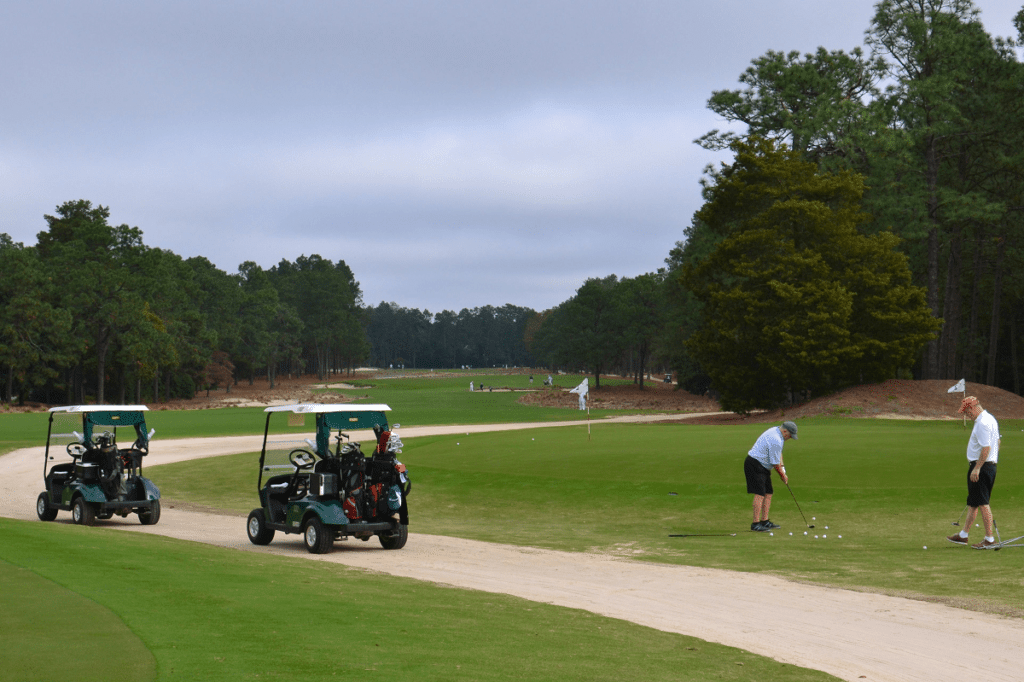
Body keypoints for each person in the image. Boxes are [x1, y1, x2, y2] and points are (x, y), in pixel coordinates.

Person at [947, 396, 1001, 549]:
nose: (966, 415)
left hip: (981, 467)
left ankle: (989, 539)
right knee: (973, 502)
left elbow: (986, 448)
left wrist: (978, 468)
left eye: (966, 412)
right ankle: (963, 535)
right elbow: (997, 442)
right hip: (987, 465)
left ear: (973, 407)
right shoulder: (990, 419)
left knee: (983, 503)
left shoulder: (983, 423)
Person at [744, 421, 798, 532]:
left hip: (762, 466)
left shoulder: (778, 433)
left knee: (768, 493)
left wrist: (783, 468)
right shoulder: (776, 439)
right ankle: (755, 524)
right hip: (754, 464)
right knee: (760, 494)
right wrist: (782, 475)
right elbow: (775, 463)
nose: (790, 438)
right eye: (790, 436)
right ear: (784, 431)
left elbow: (778, 454)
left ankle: (765, 521)